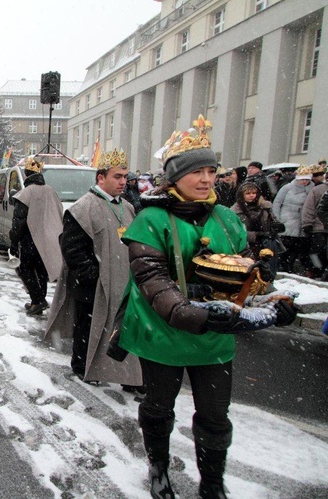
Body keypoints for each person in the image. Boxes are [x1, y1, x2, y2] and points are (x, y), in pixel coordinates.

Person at [118, 117, 298, 499]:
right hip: (163, 332)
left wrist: (268, 293)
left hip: (214, 336)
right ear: (173, 177)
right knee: (159, 408)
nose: (205, 179)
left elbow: (244, 277)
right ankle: (158, 467)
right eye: (196, 171)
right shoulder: (150, 219)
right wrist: (191, 313)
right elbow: (153, 281)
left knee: (216, 417)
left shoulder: (227, 218)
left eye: (211, 170)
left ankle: (213, 483)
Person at [45, 149, 142, 386]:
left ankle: (126, 374)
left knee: (123, 329)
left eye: (125, 177)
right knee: (89, 329)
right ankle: (83, 368)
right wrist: (93, 275)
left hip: (123, 282)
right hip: (93, 285)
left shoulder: (127, 207)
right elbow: (72, 250)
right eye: (117, 177)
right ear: (101, 177)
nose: (123, 182)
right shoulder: (82, 208)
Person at [9, 157, 63, 316]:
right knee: (41, 271)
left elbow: (19, 220)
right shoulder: (51, 191)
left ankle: (38, 300)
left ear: (26, 175)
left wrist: (14, 240)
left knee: (25, 268)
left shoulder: (26, 193)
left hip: (31, 238)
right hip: (49, 238)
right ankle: (37, 300)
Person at [231, 182, 285, 276]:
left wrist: (276, 226)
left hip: (266, 243)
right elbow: (236, 231)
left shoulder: (265, 207)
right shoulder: (234, 211)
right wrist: (255, 235)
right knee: (250, 269)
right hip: (247, 245)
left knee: (268, 268)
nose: (251, 196)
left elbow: (272, 220)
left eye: (254, 193)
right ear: (241, 195)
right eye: (248, 193)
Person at [272, 165, 313, 274]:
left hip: (302, 220)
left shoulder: (312, 189)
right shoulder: (287, 187)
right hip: (287, 218)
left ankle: (290, 264)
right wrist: (277, 218)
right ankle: (283, 264)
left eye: (306, 179)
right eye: (302, 179)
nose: (304, 182)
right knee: (286, 243)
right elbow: (277, 203)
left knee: (297, 246)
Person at [301, 163, 328, 273]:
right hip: (318, 227)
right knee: (317, 250)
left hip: (322, 225)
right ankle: (315, 269)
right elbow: (309, 207)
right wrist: (307, 223)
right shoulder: (318, 190)